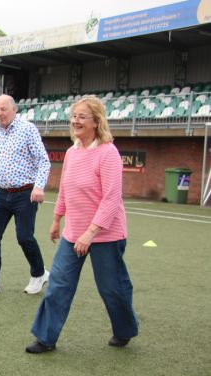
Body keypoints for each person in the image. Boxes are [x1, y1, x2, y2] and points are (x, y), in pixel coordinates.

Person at [26, 96, 139, 354]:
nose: (75, 121)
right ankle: (45, 338)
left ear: (96, 121)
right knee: (58, 285)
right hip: (73, 233)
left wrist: (90, 233)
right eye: (74, 116)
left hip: (106, 234)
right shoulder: (72, 152)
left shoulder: (108, 153)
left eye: (81, 117)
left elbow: (111, 199)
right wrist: (57, 219)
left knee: (112, 289)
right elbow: (65, 189)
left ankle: (124, 330)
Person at [0, 94, 52, 295]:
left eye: (4, 109)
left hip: (25, 194)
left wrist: (39, 187)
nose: (0, 113)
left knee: (24, 237)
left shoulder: (28, 129)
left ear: (14, 110)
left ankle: (39, 273)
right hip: (1, 194)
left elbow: (43, 161)